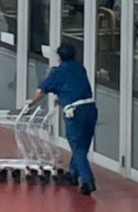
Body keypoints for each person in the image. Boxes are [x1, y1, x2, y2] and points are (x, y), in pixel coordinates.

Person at [30, 42, 97, 195]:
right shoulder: (80, 68)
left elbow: (41, 90)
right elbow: (73, 87)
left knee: (77, 146)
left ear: (59, 57)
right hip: (90, 108)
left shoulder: (57, 72)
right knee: (83, 144)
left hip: (75, 111)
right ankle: (73, 173)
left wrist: (31, 102)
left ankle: (87, 180)